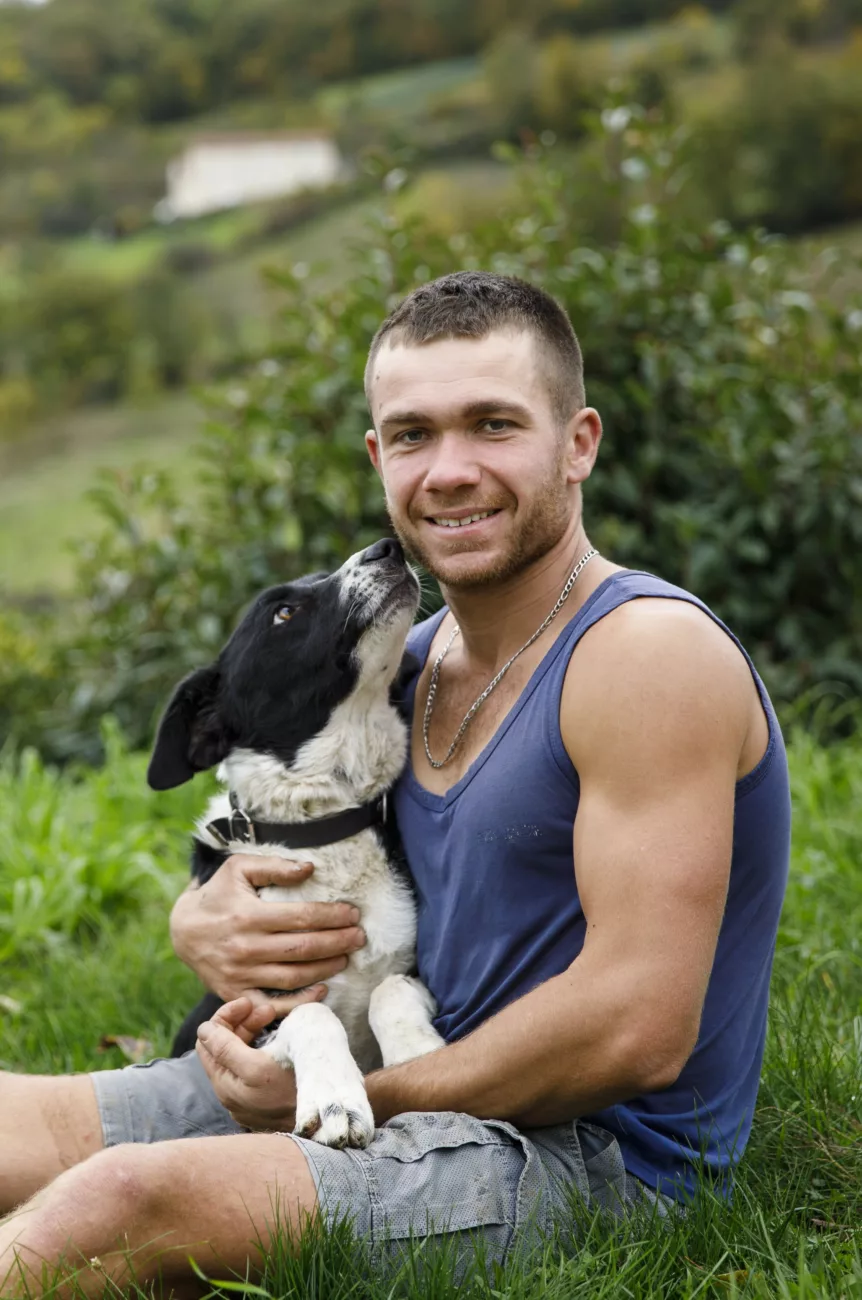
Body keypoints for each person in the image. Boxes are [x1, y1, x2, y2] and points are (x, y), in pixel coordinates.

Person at [0, 272, 790, 1297]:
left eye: (493, 425)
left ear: (578, 442)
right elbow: (283, 821)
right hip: (372, 1067)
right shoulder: (404, 667)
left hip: (578, 1155)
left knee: (118, 1204)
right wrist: (201, 919)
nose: (450, 469)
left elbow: (634, 1025)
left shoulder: (643, 658)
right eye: (414, 435)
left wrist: (359, 1088)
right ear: (380, 458)